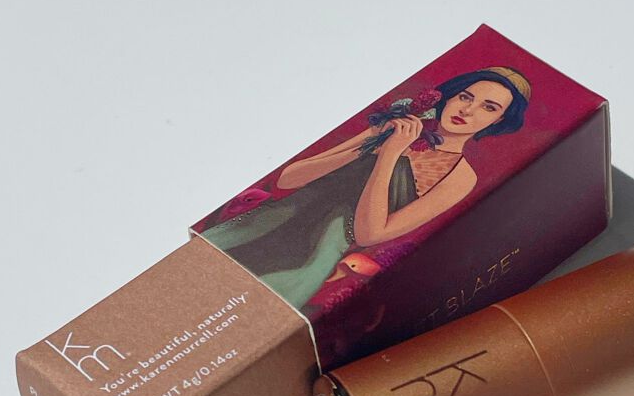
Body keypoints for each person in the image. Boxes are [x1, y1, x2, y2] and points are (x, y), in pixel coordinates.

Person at [200, 66, 532, 310]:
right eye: (465, 96)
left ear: (499, 121)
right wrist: (371, 144)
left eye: (489, 107)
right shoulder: (395, 126)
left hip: (310, 257)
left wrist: (389, 156)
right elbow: (288, 179)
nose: (468, 110)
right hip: (260, 227)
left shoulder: (460, 177)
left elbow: (370, 234)